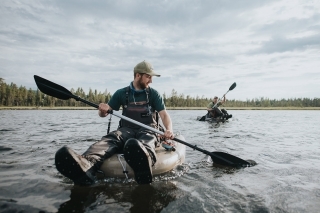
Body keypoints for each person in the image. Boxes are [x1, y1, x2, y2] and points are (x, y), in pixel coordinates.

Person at [55, 60, 174, 185]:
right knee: (111, 138)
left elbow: (164, 115)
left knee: (147, 138)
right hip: (126, 129)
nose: (151, 80)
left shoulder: (154, 94)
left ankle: (145, 161)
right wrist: (102, 109)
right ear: (138, 75)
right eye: (148, 77)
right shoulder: (121, 93)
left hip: (148, 128)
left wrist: (169, 129)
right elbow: (103, 114)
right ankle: (87, 163)